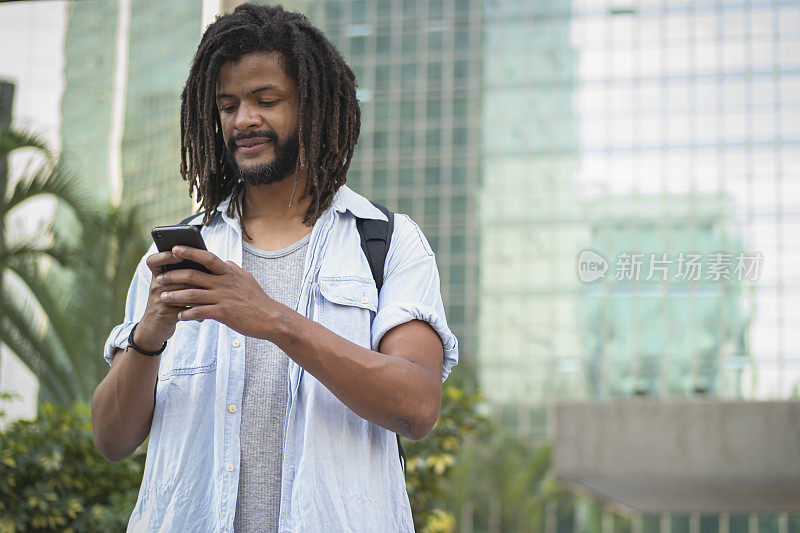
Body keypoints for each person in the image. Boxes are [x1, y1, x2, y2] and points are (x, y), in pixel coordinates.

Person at [90, 4, 458, 532]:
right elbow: (110, 440)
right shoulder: (177, 258)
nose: (244, 120)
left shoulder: (388, 242)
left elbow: (417, 406)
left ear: (312, 106)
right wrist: (148, 336)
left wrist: (273, 319)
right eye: (227, 105)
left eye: (266, 100)